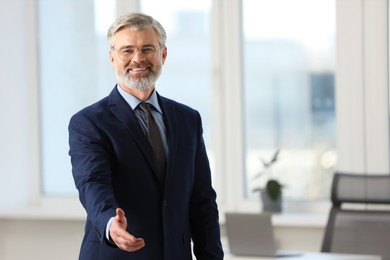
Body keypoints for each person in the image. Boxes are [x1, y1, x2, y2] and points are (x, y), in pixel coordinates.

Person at [68, 12, 224, 260]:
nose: (137, 59)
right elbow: (92, 183)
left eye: (147, 49)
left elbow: (202, 200)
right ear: (112, 58)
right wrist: (111, 223)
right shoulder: (88, 123)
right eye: (126, 50)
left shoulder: (188, 119)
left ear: (163, 54)